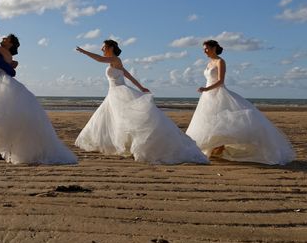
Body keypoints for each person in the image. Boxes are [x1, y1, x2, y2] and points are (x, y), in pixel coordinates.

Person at [75, 40, 208, 164]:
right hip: (114, 93)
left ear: (111, 48)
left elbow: (100, 59)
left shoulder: (115, 59)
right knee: (116, 120)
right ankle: (124, 145)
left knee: (129, 119)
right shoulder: (114, 62)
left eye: (104, 47)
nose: (102, 49)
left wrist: (84, 51)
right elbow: (128, 75)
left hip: (120, 92)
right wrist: (141, 87)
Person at [0, 23, 77, 164]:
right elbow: (8, 69)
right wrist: (10, 65)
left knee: (0, 119)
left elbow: (6, 64)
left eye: (5, 38)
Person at [186, 40, 295, 164]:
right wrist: (206, 91)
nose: (204, 51)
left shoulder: (220, 61)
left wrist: (206, 88)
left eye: (206, 48)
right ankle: (215, 148)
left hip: (218, 93)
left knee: (222, 121)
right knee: (210, 121)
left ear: (214, 48)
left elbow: (221, 80)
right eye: (203, 49)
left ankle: (219, 147)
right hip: (208, 97)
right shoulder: (209, 63)